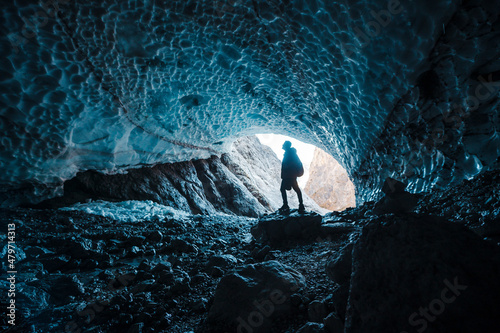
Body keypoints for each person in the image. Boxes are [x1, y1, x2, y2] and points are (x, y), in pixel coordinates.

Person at [279, 141, 305, 213]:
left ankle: (288, 205)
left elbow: (289, 165)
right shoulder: (290, 153)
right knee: (296, 189)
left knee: (288, 189)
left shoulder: (290, 154)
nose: (282, 145)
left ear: (286, 146)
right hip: (289, 175)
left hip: (289, 176)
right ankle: (300, 205)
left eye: (284, 144)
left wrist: (287, 173)